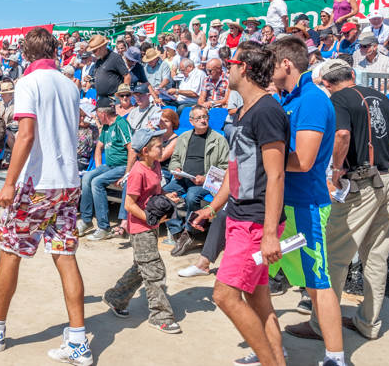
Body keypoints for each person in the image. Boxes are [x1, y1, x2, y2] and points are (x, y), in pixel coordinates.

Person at [0, 27, 93, 365]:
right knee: (65, 255)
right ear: (55, 52)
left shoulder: (27, 82)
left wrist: (8, 183)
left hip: (37, 184)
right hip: (68, 182)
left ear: (25, 53)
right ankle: (77, 341)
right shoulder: (70, 84)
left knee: (10, 252)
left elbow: (26, 135)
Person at [191, 42, 290, 366]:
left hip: (255, 222)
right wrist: (213, 207)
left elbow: (276, 175)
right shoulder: (246, 111)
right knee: (258, 300)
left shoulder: (267, 111)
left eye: (231, 63)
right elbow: (235, 170)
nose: (226, 69)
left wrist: (270, 233)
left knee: (224, 295)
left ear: (243, 68)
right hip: (239, 216)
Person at [310, 59, 389, 340]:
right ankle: (368, 323)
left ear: (326, 84)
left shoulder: (339, 99)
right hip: (386, 180)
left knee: (334, 255)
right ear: (351, 74)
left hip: (361, 184)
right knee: (376, 255)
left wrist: (335, 172)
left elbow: (342, 134)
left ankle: (322, 325)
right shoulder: (378, 95)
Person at [268, 38, 345, 366]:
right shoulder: (289, 98)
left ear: (286, 63)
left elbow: (303, 160)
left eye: (271, 63)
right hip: (281, 205)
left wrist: (260, 157)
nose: (266, 70)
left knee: (317, 284)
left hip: (304, 207)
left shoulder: (312, 98)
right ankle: (270, 350)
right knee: (258, 280)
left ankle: (335, 358)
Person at [102, 127, 183, 334]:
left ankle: (115, 298)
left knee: (142, 266)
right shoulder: (138, 172)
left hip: (152, 225)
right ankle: (160, 316)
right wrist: (149, 218)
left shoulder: (155, 164)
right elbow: (129, 204)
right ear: (145, 151)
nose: (163, 149)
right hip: (141, 228)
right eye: (159, 146)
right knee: (154, 271)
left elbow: (155, 190)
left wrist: (166, 195)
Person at [164, 105, 230, 256]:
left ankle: (190, 232)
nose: (203, 120)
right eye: (199, 118)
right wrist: (176, 169)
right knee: (164, 193)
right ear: (191, 121)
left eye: (205, 117)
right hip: (184, 178)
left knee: (192, 195)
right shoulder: (184, 137)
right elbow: (175, 159)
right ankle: (177, 231)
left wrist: (205, 177)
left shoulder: (219, 140)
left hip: (206, 182)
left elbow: (225, 167)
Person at [78, 105, 135, 240]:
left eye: (97, 114)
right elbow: (99, 147)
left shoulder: (121, 124)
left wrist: (127, 174)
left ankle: (104, 227)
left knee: (97, 182)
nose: (96, 117)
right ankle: (86, 220)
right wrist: (98, 169)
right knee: (87, 177)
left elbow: (132, 149)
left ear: (103, 114)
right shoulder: (105, 127)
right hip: (109, 166)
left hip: (122, 166)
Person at [88, 35, 130, 108]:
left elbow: (127, 76)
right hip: (101, 98)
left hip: (114, 98)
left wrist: (124, 95)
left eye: (94, 50)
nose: (93, 53)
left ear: (102, 47)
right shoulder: (98, 61)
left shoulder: (115, 58)